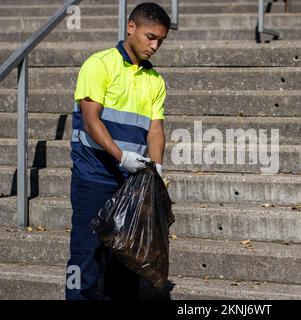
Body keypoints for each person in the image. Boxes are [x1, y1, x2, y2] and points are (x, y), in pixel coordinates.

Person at [65, 2, 170, 300]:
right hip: (94, 176)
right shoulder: (99, 64)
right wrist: (121, 156)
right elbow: (90, 119)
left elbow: (155, 129)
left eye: (160, 40)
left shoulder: (155, 80)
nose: (155, 45)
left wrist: (157, 167)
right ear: (131, 27)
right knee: (85, 256)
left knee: (126, 261)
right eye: (150, 37)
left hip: (131, 183)